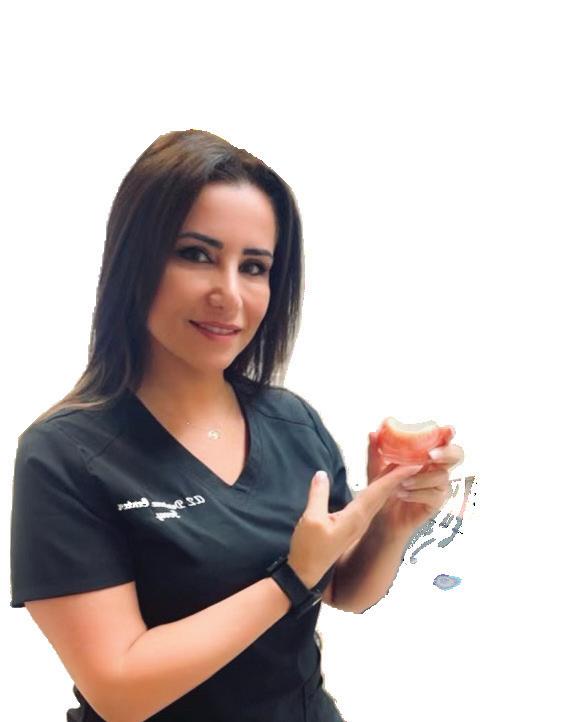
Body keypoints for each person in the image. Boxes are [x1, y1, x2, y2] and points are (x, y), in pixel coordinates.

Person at [9, 129, 436, 722]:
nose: (229, 294)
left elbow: (344, 589)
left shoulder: (292, 422)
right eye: (196, 255)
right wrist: (290, 579)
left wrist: (392, 524)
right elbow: (120, 689)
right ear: (136, 259)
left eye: (254, 266)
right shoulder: (64, 455)